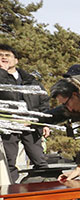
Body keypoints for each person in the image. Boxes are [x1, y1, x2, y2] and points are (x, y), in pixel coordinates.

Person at [0, 44, 49, 183]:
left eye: (7, 55)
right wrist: (2, 71)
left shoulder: (30, 80)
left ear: (16, 60)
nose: (3, 58)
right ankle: (11, 198)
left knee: (40, 160)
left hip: (31, 126)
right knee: (8, 163)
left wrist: (44, 123)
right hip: (8, 128)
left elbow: (43, 102)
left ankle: (45, 193)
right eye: (0, 56)